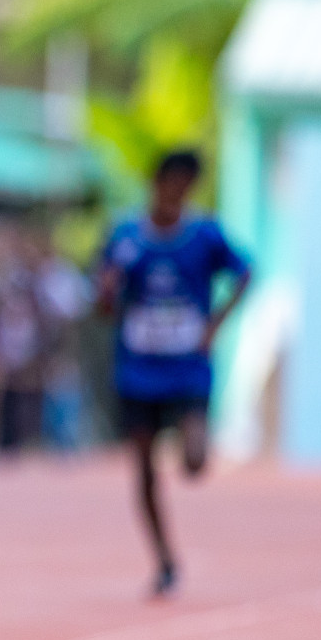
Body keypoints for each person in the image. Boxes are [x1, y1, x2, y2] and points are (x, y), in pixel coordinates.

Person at [98, 150, 250, 597]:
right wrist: (106, 293)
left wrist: (215, 323)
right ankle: (164, 558)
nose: (179, 195)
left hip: (187, 365)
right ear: (158, 183)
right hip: (139, 367)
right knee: (143, 470)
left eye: (188, 187)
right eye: (174, 185)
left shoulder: (205, 234)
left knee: (195, 461)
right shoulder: (126, 236)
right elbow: (105, 302)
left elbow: (245, 272)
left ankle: (190, 443)